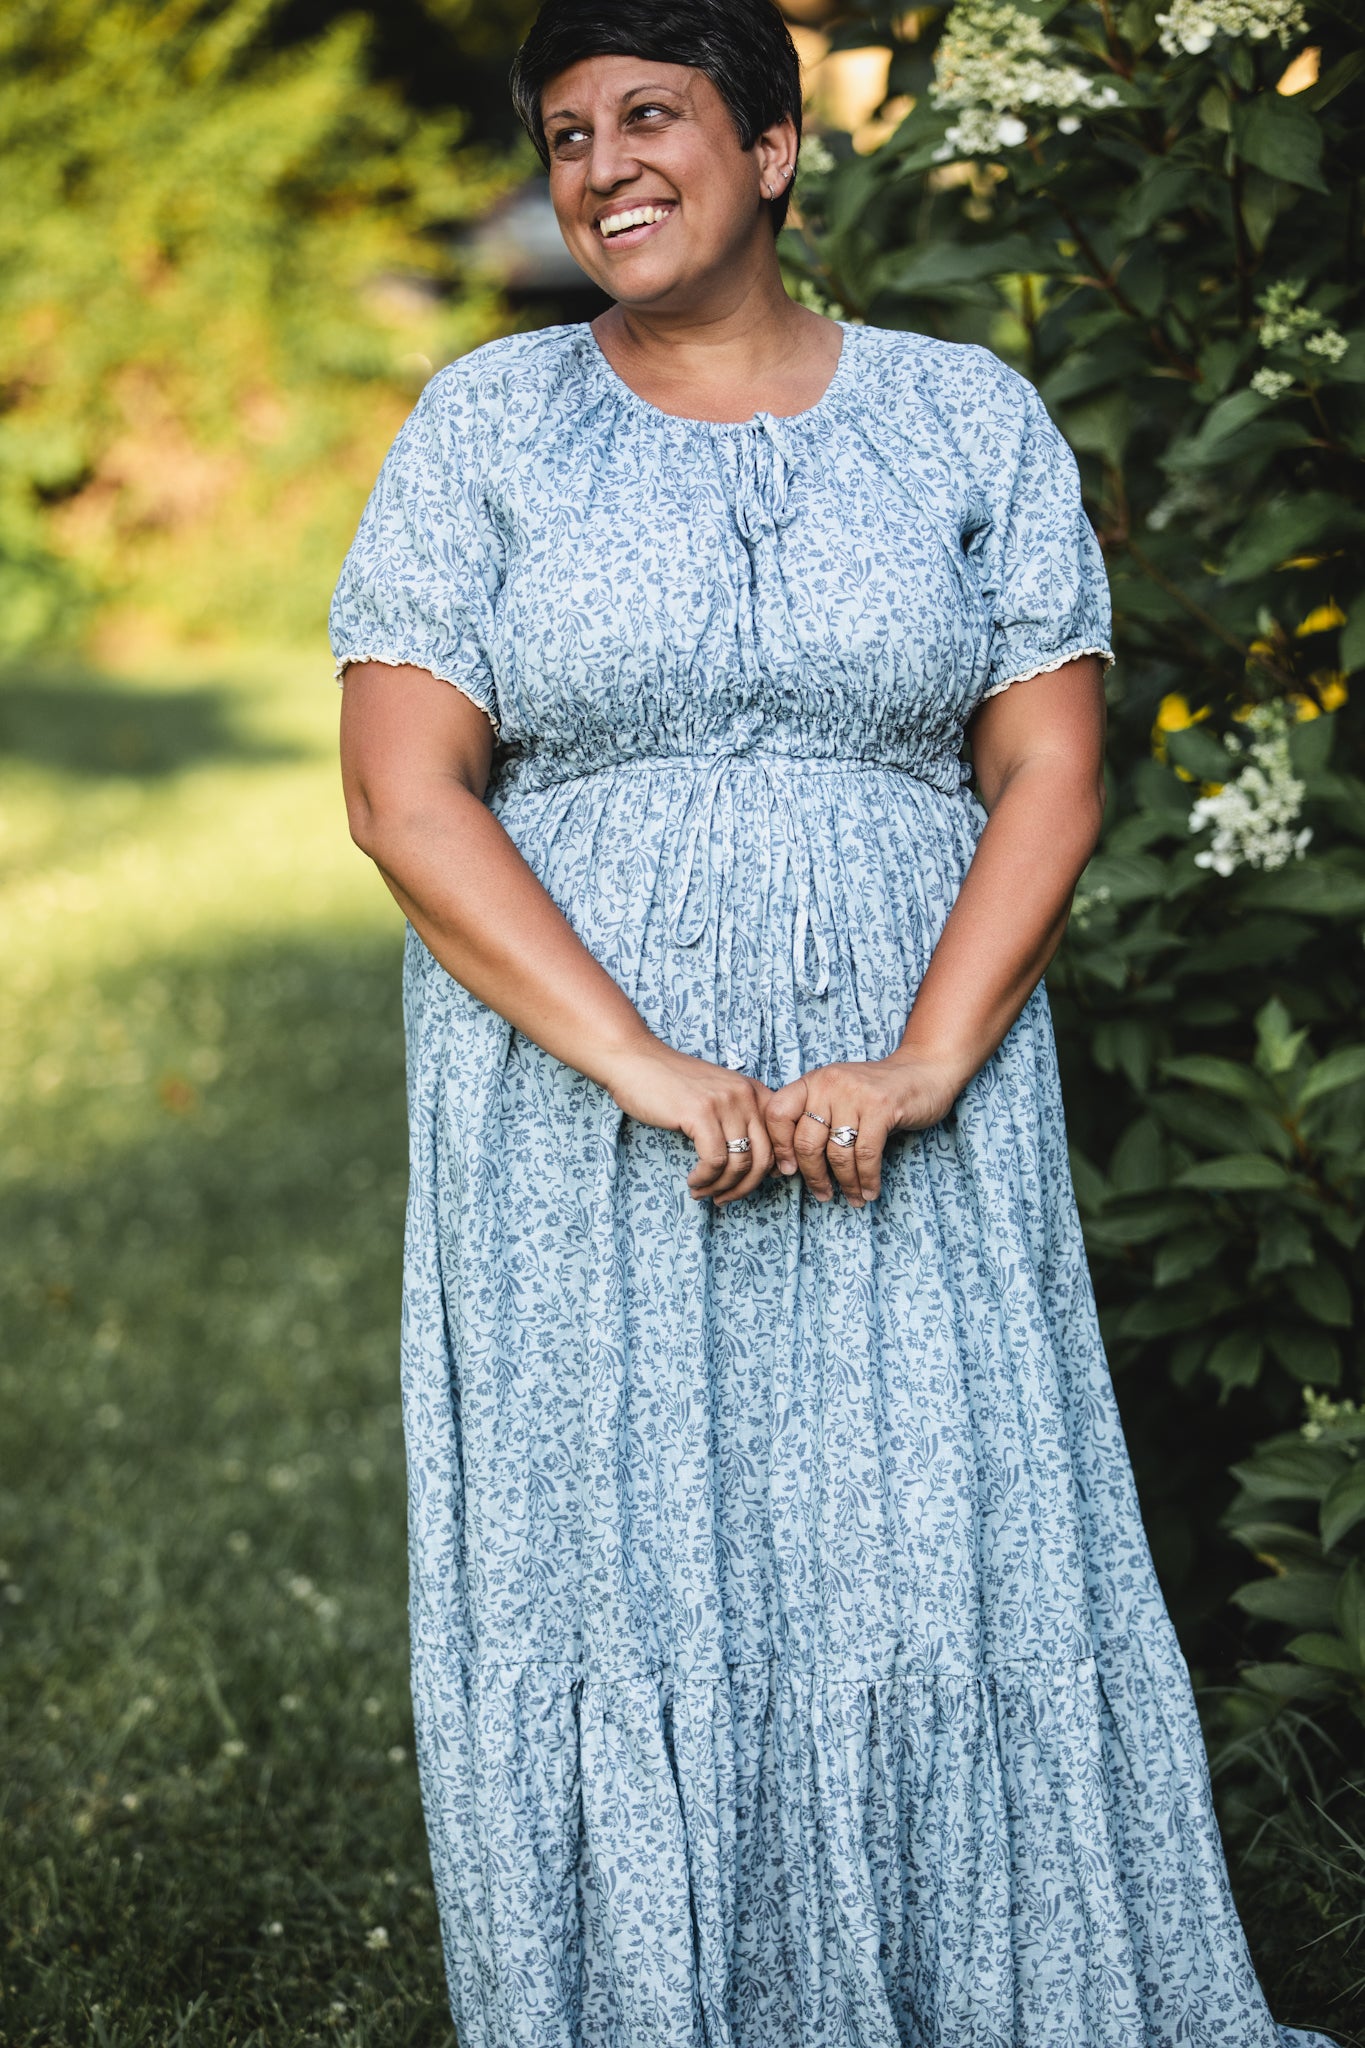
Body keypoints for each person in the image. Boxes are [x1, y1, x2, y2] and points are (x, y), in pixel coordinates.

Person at [328, 2, 1339, 2041]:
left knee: (927, 1548)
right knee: (624, 1563)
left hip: (912, 1089)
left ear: (776, 152)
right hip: (579, 1119)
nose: (599, 163)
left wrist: (928, 1060)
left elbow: (1045, 767)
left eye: (650, 116)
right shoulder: (484, 427)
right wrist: (636, 1067)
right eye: (565, 131)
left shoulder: (963, 418)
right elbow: (398, 787)